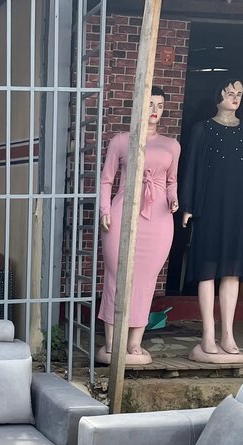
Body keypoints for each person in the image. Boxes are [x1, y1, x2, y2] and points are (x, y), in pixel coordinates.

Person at [179, 79, 243, 365]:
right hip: (208, 207)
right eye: (230, 93)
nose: (235, 98)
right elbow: (191, 168)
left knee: (233, 270)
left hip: (238, 210)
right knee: (207, 270)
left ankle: (228, 335)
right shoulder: (203, 129)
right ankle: (208, 335)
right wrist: (188, 205)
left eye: (239, 94)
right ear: (217, 95)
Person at [98, 86, 181, 365]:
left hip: (159, 218)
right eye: (150, 104)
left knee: (146, 280)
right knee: (116, 276)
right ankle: (112, 341)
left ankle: (135, 341)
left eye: (160, 105)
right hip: (123, 213)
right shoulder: (121, 141)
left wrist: (173, 199)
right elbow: (106, 180)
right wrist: (105, 210)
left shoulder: (172, 145)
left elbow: (172, 181)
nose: (155, 110)